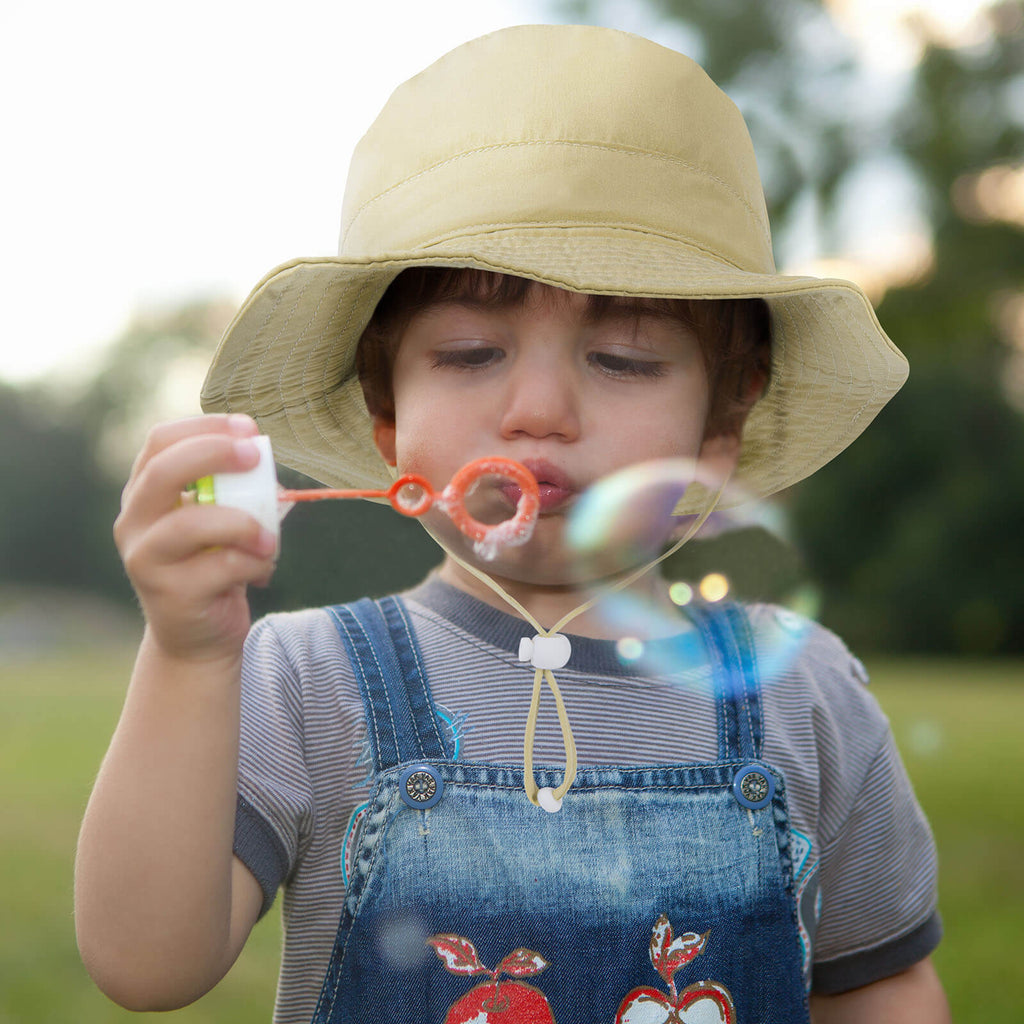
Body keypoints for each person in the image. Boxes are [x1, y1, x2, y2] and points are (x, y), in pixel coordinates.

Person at [74, 24, 951, 1023]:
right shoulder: (305, 682)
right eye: (470, 351)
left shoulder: (806, 689)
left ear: (721, 423)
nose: (539, 407)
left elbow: (881, 982)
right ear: (388, 416)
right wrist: (188, 658)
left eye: (622, 359)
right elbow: (143, 964)